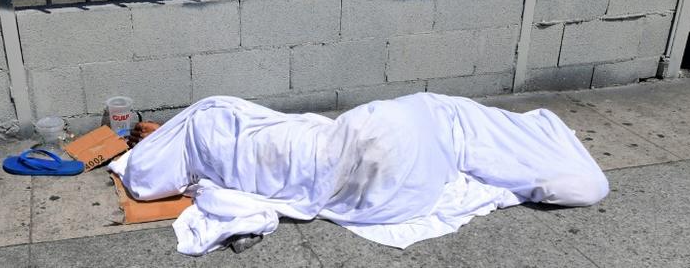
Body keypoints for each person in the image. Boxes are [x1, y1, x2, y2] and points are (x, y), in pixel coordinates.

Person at [111, 93, 609, 256]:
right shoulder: (215, 116)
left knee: (335, 150)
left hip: (376, 138)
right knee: (340, 144)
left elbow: (146, 180)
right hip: (392, 126)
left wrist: (161, 150)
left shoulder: (206, 123)